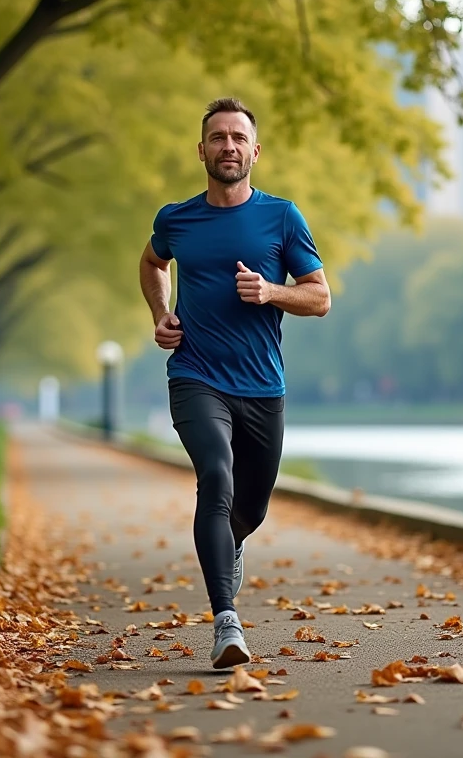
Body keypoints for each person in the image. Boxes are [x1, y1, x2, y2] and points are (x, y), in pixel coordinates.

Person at [138, 97, 331, 669]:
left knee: (250, 505)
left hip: (262, 386)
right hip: (196, 375)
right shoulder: (177, 218)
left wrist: (272, 292)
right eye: (217, 138)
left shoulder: (282, 216)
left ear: (254, 150)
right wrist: (160, 314)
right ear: (201, 151)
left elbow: (319, 297)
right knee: (215, 477)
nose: (228, 146)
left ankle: (232, 542)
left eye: (238, 138)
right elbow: (152, 263)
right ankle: (227, 622)